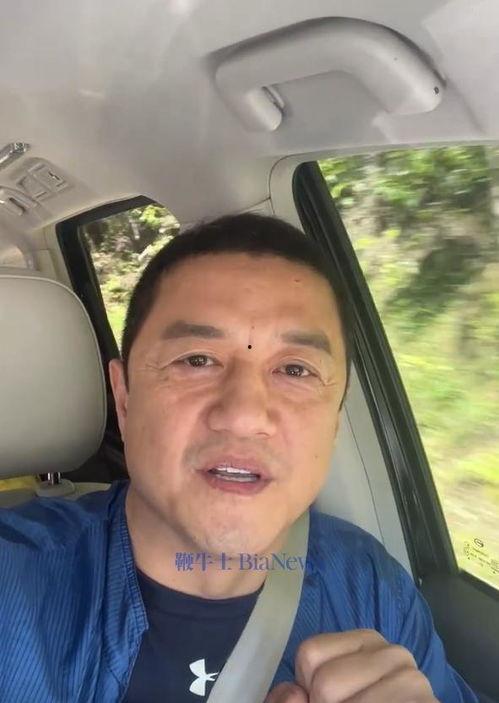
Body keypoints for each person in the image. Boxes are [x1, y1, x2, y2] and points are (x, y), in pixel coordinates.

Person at [0, 213, 477, 702]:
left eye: (295, 370)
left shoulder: (368, 583)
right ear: (125, 400)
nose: (245, 415)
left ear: (335, 417)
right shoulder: (12, 582)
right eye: (197, 360)